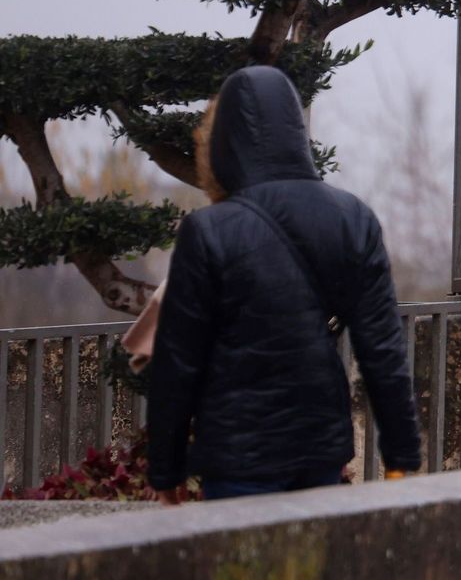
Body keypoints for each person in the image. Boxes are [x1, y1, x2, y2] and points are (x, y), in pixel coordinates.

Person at [146, 65, 422, 502]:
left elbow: (178, 363)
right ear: (295, 130)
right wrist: (401, 455)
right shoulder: (353, 219)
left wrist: (166, 468)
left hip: (236, 457)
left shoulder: (209, 230)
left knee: (241, 569)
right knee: (312, 567)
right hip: (320, 451)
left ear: (224, 142)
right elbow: (383, 351)